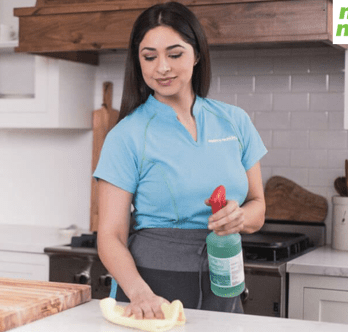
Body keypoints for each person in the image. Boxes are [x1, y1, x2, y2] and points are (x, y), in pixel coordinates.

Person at [93, 1, 267, 320]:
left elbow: (258, 208)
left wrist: (238, 218)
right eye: (150, 56)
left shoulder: (235, 121)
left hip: (225, 279)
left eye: (175, 54)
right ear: (138, 61)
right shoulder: (126, 135)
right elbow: (110, 236)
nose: (162, 67)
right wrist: (140, 293)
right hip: (153, 284)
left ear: (197, 54)